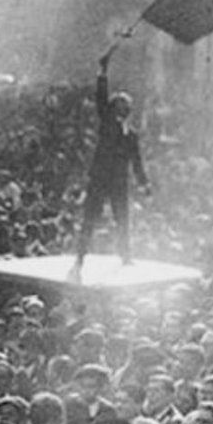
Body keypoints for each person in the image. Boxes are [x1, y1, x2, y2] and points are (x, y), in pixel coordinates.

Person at [73, 47, 151, 272]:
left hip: (119, 181)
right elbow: (101, 96)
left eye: (126, 106)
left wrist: (144, 184)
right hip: (100, 178)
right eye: (119, 104)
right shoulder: (107, 121)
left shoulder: (132, 133)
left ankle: (125, 256)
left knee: (123, 220)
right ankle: (80, 255)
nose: (123, 108)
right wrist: (103, 71)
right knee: (90, 217)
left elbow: (137, 161)